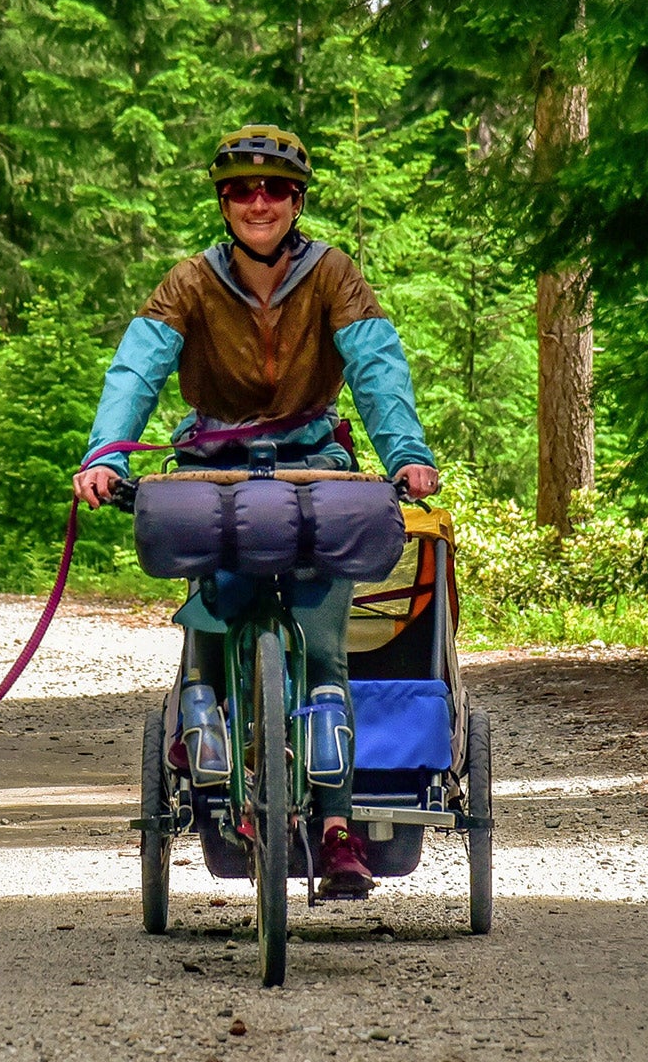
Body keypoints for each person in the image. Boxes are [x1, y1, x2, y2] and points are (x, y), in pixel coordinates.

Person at [72, 124, 440, 897]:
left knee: (325, 645)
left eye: (274, 189)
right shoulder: (187, 282)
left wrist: (406, 452)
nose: (259, 202)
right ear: (224, 201)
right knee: (211, 603)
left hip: (315, 464)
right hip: (214, 467)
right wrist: (107, 453)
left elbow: (376, 367)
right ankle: (202, 739)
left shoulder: (335, 275)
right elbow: (137, 369)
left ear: (298, 201)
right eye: (242, 189)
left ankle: (337, 832)